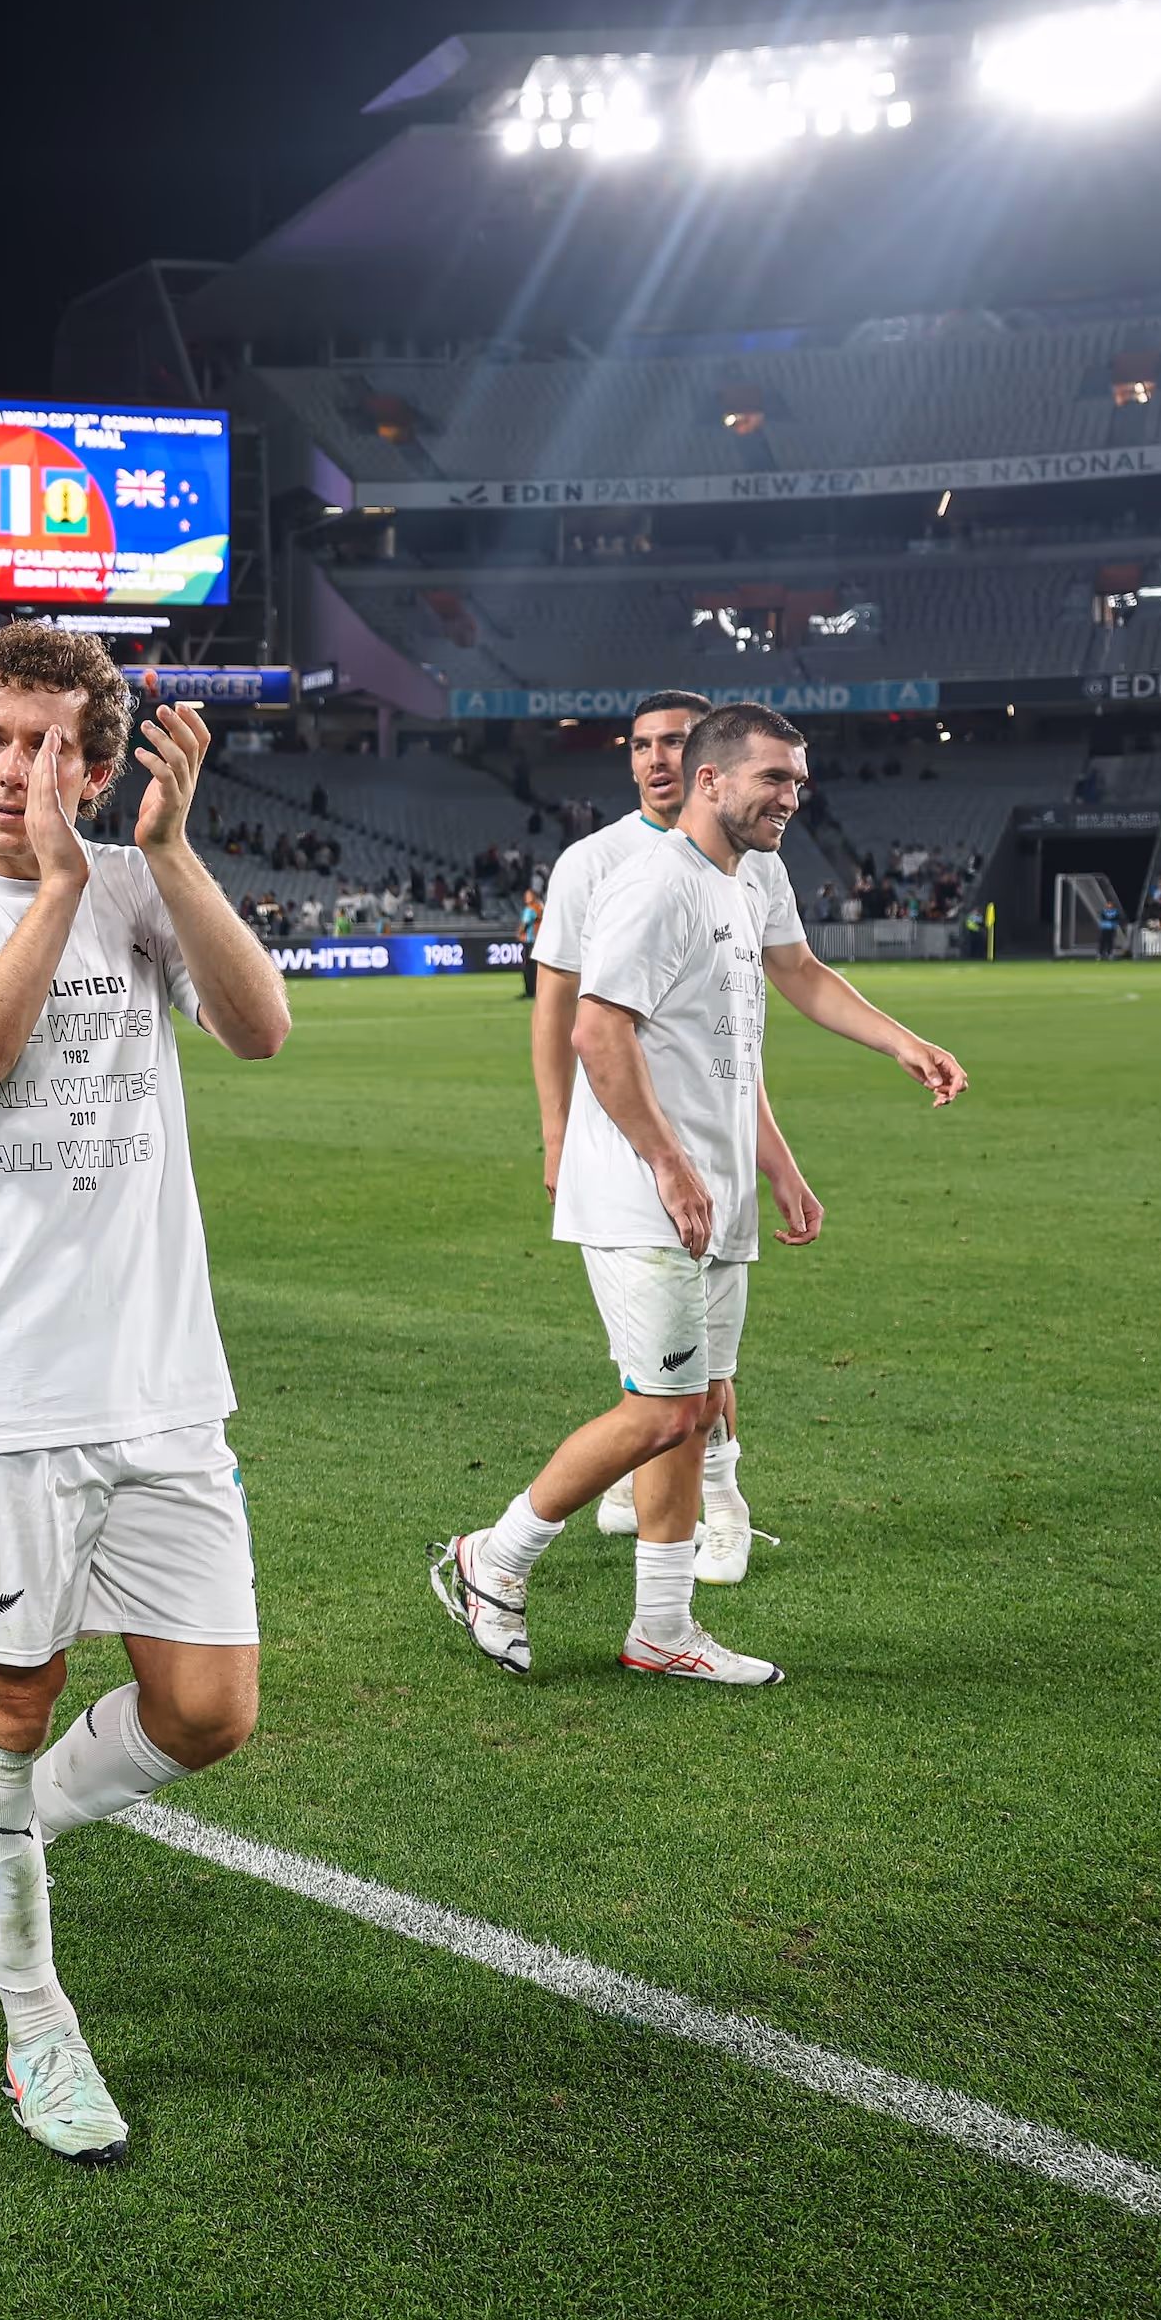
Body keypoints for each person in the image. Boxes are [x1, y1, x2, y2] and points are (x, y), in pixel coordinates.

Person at [0, 626, 290, 2163]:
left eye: (51, 747)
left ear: (97, 768)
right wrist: (57, 890)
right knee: (7, 1703)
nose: (19, 770)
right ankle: (39, 2027)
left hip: (162, 1384)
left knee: (209, 1709)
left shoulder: (143, 881)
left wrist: (165, 855)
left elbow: (259, 1029)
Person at [439, 703, 959, 1687]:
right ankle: (493, 1556)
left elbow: (773, 1000)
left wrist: (887, 1055)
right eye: (774, 778)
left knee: (700, 1405)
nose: (792, 797)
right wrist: (668, 1165)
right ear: (711, 780)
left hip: (712, 1192)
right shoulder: (656, 884)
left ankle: (661, 1627)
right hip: (646, 1195)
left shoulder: (742, 878)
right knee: (662, 1409)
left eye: (798, 780)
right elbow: (595, 1030)